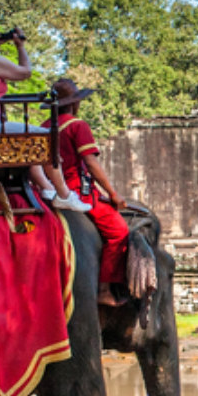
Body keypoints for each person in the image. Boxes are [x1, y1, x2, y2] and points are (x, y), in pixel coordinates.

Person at [0, 12, 87, 211]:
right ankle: (63, 194)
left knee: (32, 135)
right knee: (47, 137)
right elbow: (25, 72)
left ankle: (47, 187)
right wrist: (20, 46)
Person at [53, 77, 130, 307]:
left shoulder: (45, 127)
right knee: (119, 231)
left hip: (47, 191)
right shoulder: (77, 126)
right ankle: (104, 290)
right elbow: (92, 164)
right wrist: (113, 194)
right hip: (77, 193)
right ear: (75, 104)